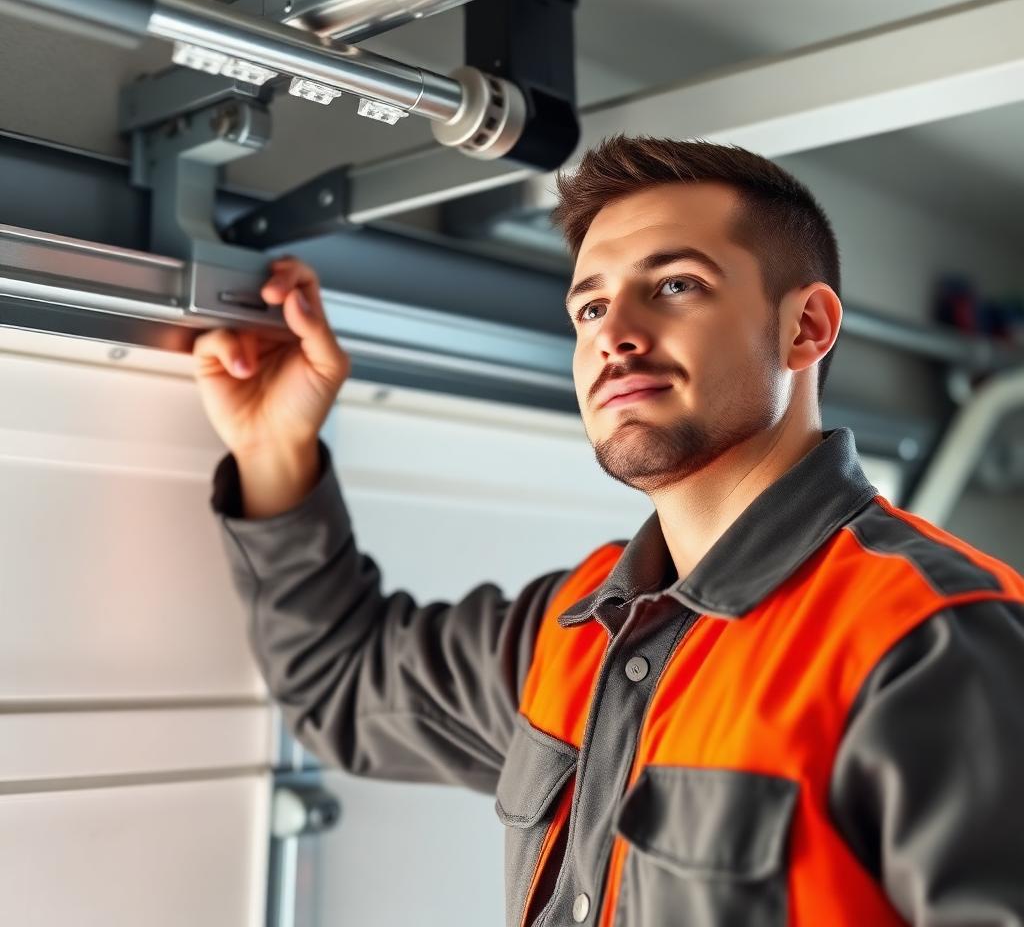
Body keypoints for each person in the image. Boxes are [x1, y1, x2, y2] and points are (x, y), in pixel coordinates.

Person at [194, 135, 1024, 927]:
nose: (614, 336)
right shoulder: (574, 631)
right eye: (590, 306)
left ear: (804, 327)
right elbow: (344, 678)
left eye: (675, 285)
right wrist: (275, 452)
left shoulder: (933, 639)